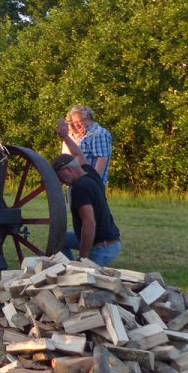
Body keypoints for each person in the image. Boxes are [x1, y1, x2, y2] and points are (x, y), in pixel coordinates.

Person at [51, 136, 121, 266]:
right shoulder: (90, 173)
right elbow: (78, 153)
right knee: (61, 238)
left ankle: (72, 270)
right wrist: (65, 136)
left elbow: (89, 223)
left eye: (61, 177)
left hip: (101, 246)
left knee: (81, 279)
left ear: (69, 170)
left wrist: (83, 258)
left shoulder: (79, 188)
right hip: (112, 241)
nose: (62, 182)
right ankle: (67, 267)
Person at [60, 105, 113, 185]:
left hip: (91, 185)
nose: (76, 125)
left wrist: (92, 182)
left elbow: (101, 161)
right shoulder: (84, 135)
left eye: (79, 122)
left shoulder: (98, 134)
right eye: (74, 122)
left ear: (88, 119)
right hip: (80, 183)